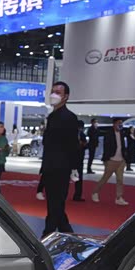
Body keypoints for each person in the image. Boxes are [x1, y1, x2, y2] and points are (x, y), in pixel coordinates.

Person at [41, 82, 78, 236]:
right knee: (54, 203)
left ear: (65, 97)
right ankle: (66, 232)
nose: (53, 95)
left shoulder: (69, 117)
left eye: (58, 92)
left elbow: (73, 144)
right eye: (53, 91)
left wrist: (74, 167)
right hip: (50, 165)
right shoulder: (52, 116)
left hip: (61, 167)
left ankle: (48, 233)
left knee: (56, 202)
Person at [90, 117, 129, 205]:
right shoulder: (109, 134)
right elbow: (106, 147)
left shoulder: (122, 133)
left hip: (121, 160)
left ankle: (119, 197)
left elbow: (123, 146)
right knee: (105, 178)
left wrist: (125, 158)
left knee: (120, 180)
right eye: (119, 123)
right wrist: (106, 160)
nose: (120, 125)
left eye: (121, 123)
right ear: (114, 124)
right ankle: (95, 192)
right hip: (111, 160)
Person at [73, 120, 88, 201]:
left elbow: (85, 145)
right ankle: (77, 195)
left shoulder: (78, 134)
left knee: (76, 177)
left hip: (75, 158)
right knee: (78, 177)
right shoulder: (79, 134)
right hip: (77, 158)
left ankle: (77, 195)